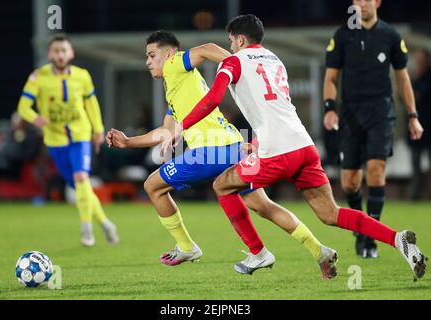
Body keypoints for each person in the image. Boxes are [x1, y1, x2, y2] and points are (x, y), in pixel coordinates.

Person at [165, 14, 427, 281]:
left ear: (240, 39)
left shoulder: (233, 62)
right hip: (303, 146)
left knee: (222, 186)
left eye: (231, 40)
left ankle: (258, 253)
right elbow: (275, 108)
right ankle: (397, 239)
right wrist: (255, 143)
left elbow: (213, 99)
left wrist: (181, 125)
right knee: (330, 213)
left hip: (277, 152)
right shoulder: (275, 60)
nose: (230, 46)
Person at [108, 30, 338, 278]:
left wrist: (236, 63)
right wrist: (129, 142)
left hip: (210, 151)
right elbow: (166, 131)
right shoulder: (178, 87)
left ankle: (187, 247)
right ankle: (319, 250)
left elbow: (205, 48)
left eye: (152, 55)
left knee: (153, 186)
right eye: (147, 57)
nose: (148, 62)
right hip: (235, 146)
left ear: (169, 54)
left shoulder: (175, 64)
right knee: (262, 205)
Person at [323, 0, 423, 258]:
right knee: (350, 182)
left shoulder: (390, 35)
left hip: (381, 112)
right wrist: (330, 108)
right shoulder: (343, 34)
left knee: (377, 172)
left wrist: (413, 115)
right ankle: (362, 230)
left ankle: (369, 236)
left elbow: (402, 78)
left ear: (377, 2)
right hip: (350, 114)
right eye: (357, 0)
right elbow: (331, 77)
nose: (362, 4)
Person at [17, 33, 119, 247]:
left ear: (71, 53)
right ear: (50, 54)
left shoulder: (82, 76)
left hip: (80, 135)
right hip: (55, 140)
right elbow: (23, 108)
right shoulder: (38, 77)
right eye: (56, 51)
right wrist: (36, 119)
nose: (60, 54)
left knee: (82, 178)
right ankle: (106, 224)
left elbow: (92, 104)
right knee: (81, 188)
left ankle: (86, 230)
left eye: (64, 50)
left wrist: (98, 129)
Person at [0, 112, 42, 183]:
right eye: (14, 121)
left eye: (18, 121)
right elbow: (0, 147)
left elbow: (30, 154)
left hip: (14, 165)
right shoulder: (11, 133)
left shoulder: (31, 135)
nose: (15, 124)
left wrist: (13, 155)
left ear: (24, 122)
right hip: (2, 161)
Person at [408, 48, 431, 200]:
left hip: (429, 126)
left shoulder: (427, 77)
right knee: (415, 162)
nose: (418, 62)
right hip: (414, 127)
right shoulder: (413, 77)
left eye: (421, 59)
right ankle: (415, 195)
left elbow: (419, 95)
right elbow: (406, 96)